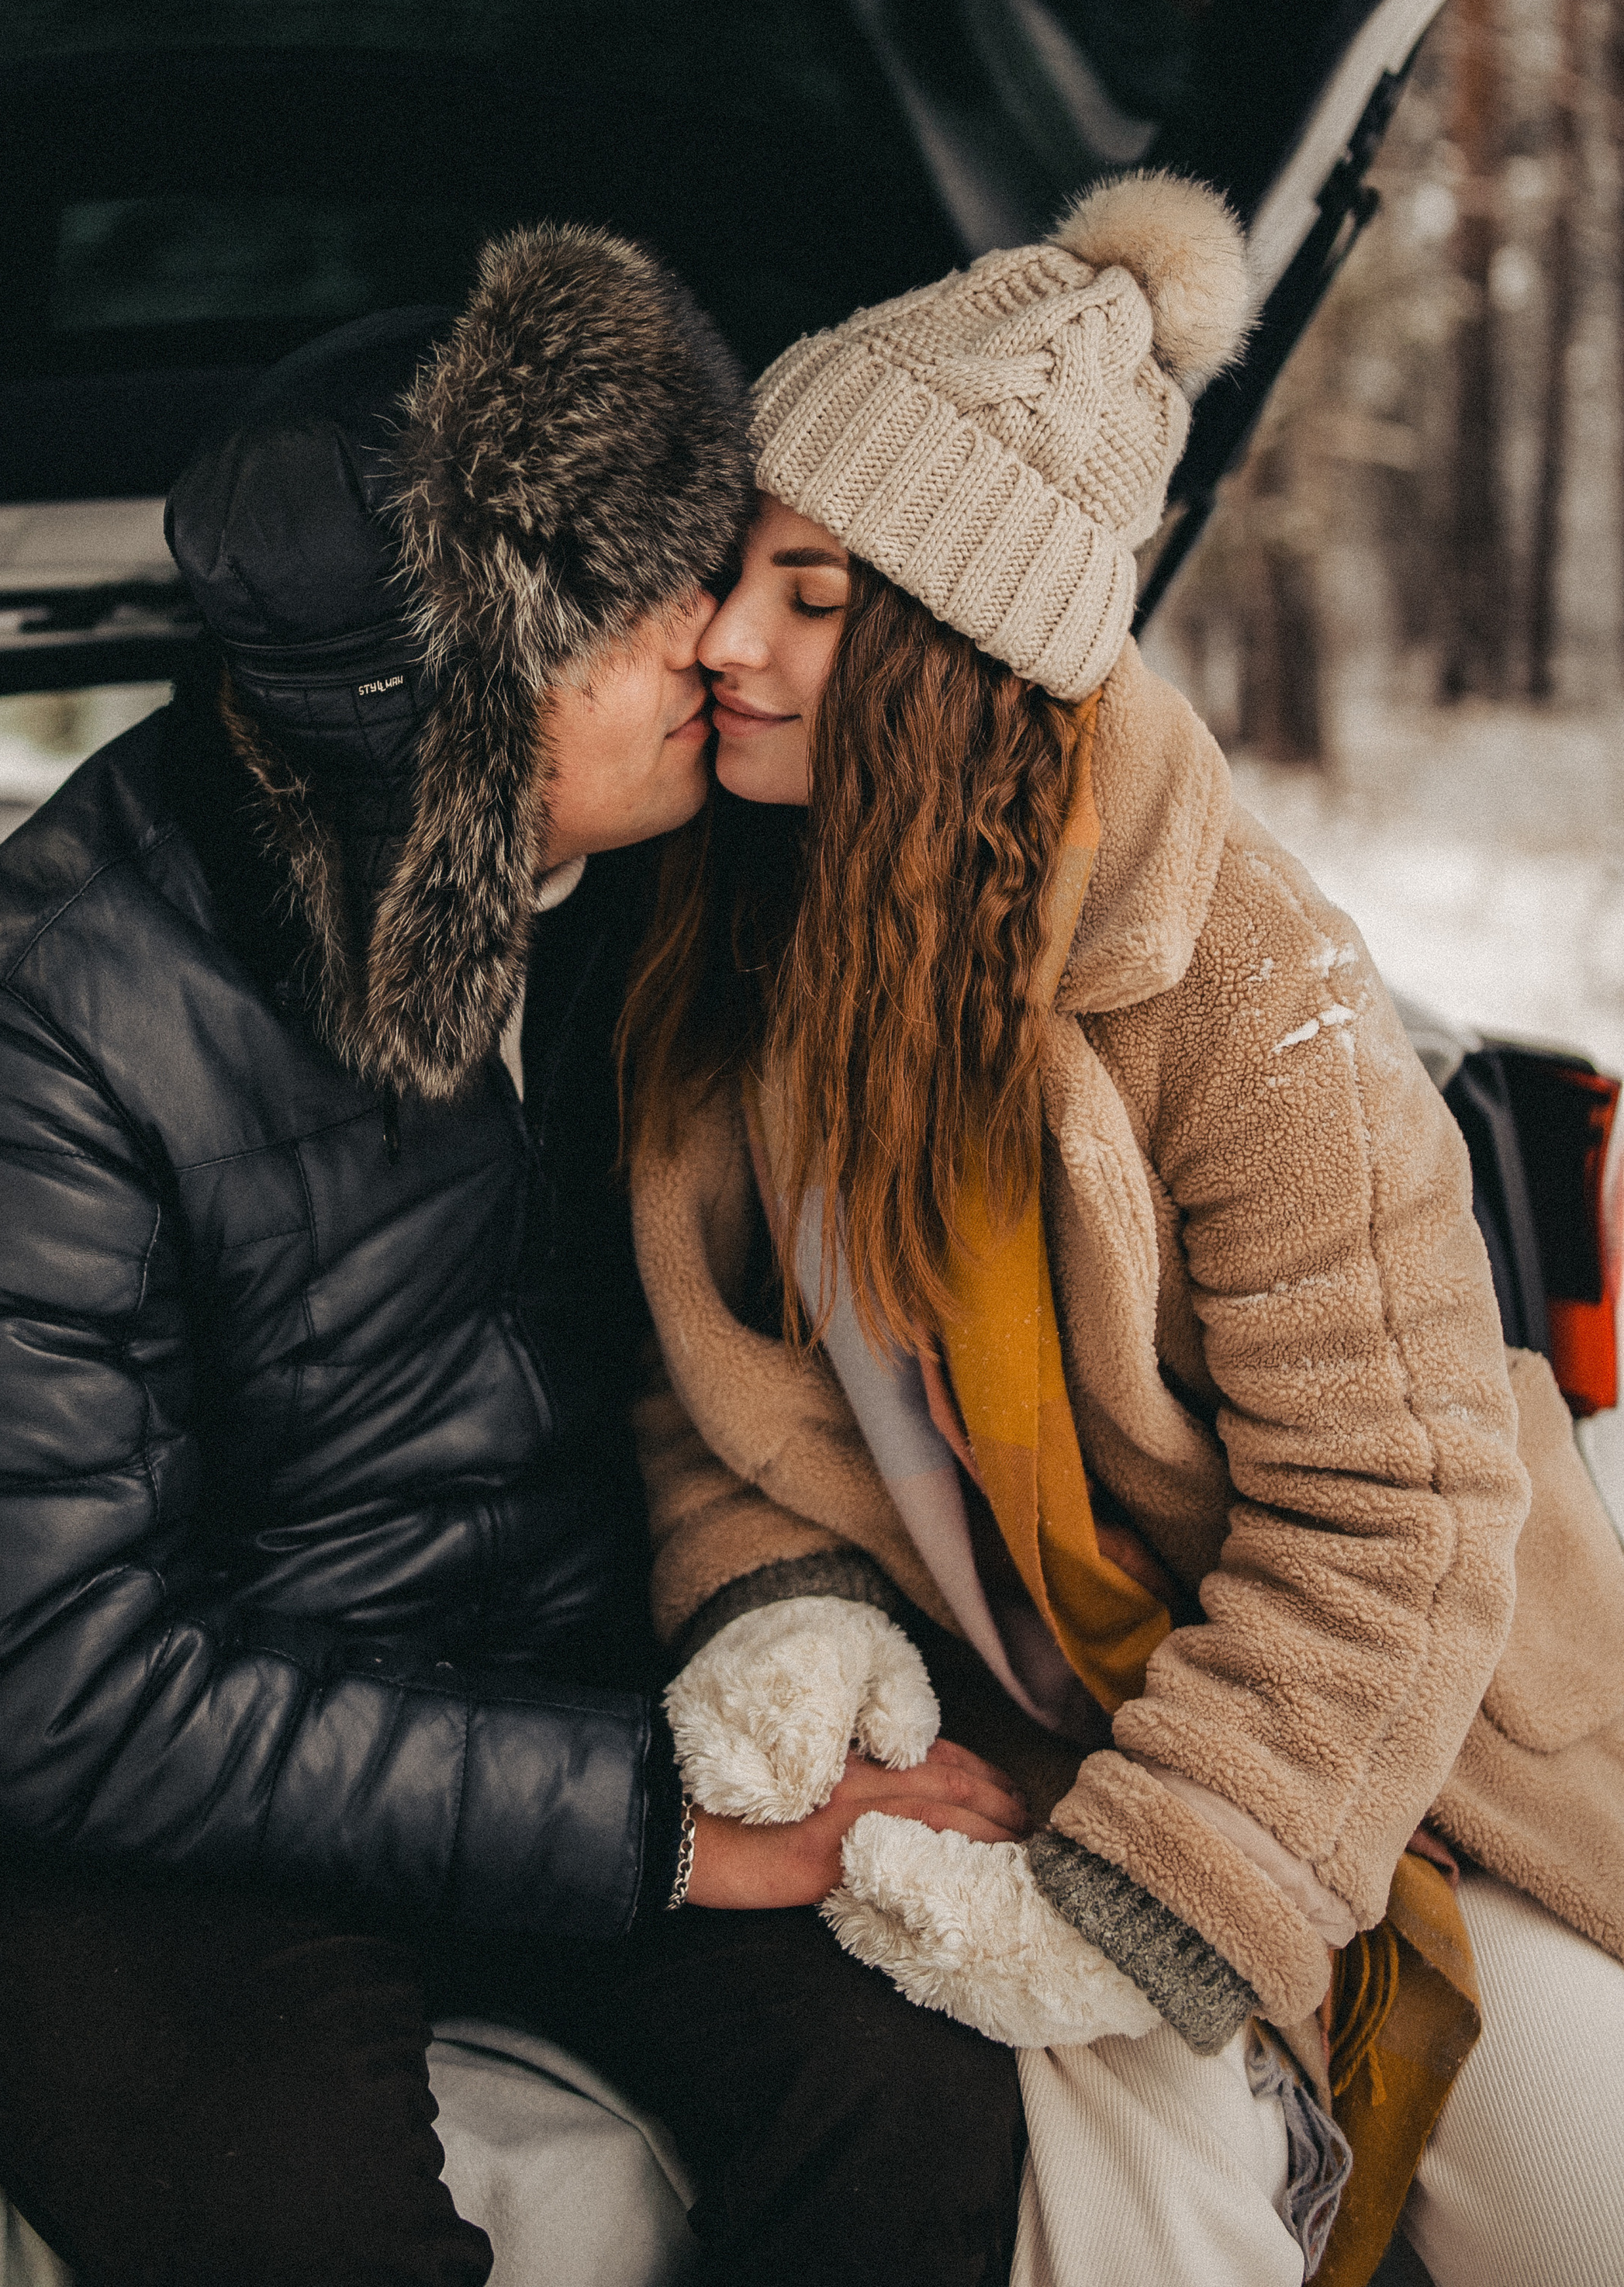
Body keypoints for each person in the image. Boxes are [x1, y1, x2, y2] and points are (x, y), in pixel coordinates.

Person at [0, 223, 1028, 2287]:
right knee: (293, 2225)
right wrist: (656, 1822)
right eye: (632, 611)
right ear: (454, 729)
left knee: (912, 2103)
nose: (719, 638)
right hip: (179, 1815)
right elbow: (45, 1680)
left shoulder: (691, 878)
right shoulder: (31, 1017)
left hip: (604, 1678)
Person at [618, 172, 1624, 2287]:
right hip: (1047, 1734)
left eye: (813, 594)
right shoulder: (744, 940)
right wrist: (796, 1625)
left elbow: (1401, 1516)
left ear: (958, 652)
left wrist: (1150, 1899)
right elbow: (725, 1408)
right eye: (736, 576)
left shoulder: (1249, 992)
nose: (724, 640)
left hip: (1410, 1741)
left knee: (1574, 2205)